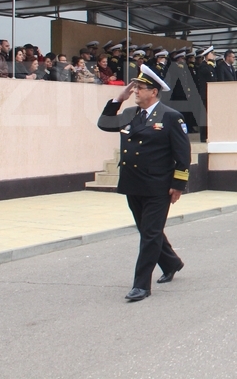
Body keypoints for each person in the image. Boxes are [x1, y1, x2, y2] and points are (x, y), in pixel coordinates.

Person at [97, 65, 190, 302]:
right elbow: (104, 123)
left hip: (158, 185)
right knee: (148, 230)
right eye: (135, 87)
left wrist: (179, 184)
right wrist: (118, 99)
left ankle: (141, 285)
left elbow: (183, 154)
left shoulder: (170, 116)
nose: (135, 91)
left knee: (150, 233)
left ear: (154, 92)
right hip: (133, 182)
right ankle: (171, 262)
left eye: (140, 88)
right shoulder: (131, 113)